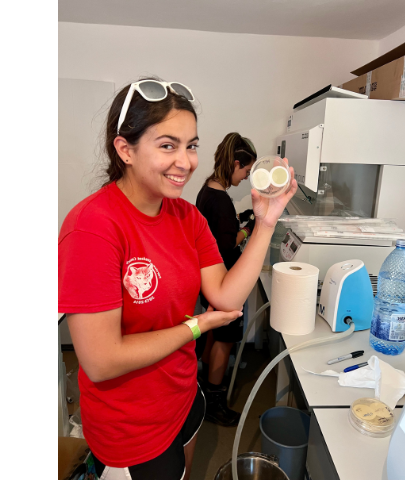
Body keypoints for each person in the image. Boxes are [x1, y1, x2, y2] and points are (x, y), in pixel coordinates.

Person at [58, 77, 297, 480]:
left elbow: (224, 295)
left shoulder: (187, 218)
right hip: (130, 425)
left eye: (191, 145)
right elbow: (100, 361)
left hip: (185, 397)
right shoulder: (92, 227)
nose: (185, 161)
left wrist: (266, 224)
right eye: (167, 145)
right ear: (125, 149)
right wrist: (196, 326)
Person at [195, 132, 257, 427]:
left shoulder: (208, 190)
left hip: (208, 279)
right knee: (225, 339)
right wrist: (251, 229)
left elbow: (217, 232)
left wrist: (238, 220)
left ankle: (206, 388)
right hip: (223, 279)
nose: (246, 177)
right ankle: (215, 402)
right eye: (246, 170)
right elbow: (226, 245)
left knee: (214, 334)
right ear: (235, 163)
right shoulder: (219, 200)